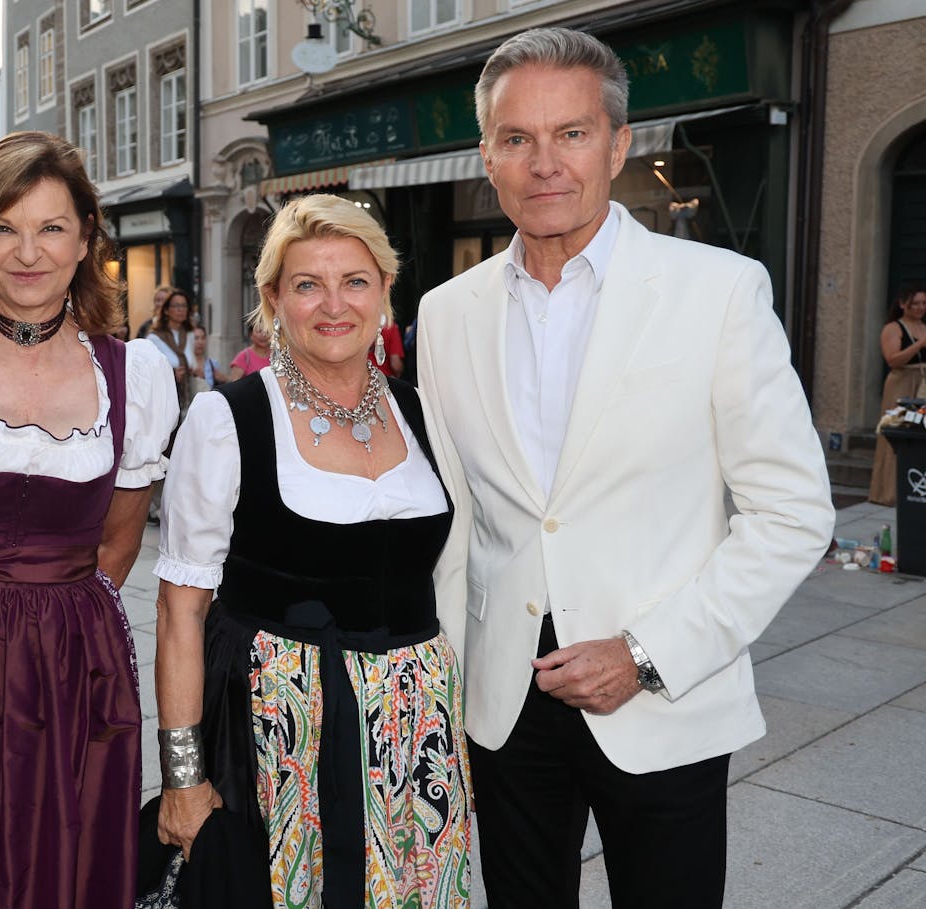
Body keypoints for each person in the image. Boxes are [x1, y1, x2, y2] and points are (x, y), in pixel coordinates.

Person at [415, 28, 834, 908]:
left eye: (570, 133)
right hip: (502, 703)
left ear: (618, 143)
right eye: (517, 139)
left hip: (660, 699)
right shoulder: (446, 313)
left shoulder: (718, 290)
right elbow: (457, 522)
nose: (544, 163)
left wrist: (646, 654)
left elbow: (793, 512)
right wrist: (446, 683)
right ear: (486, 154)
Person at [0, 130, 176, 909]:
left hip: (75, 672)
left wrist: (46, 629)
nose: (28, 252)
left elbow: (118, 541)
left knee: (63, 866)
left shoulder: (134, 375)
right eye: (4, 227)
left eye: (51, 227)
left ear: (86, 240)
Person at [154, 193, 472, 908]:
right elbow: (179, 611)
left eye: (355, 281)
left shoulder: (419, 410)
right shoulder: (227, 418)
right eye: (307, 284)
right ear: (273, 300)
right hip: (282, 735)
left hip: (416, 737)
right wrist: (182, 774)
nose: (334, 304)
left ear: (385, 293)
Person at [869, 284, 926, 505]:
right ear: (903, 304)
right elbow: (893, 359)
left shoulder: (923, 326)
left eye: (924, 303)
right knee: (895, 435)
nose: (921, 308)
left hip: (922, 384)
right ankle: (887, 492)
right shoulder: (894, 328)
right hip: (901, 384)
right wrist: (920, 344)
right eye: (916, 303)